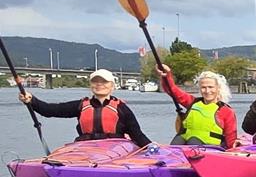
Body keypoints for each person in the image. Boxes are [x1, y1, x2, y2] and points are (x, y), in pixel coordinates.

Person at [17, 68, 151, 147]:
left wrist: (152, 149)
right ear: (90, 85)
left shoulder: (121, 108)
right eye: (95, 82)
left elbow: (137, 135)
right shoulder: (81, 105)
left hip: (115, 149)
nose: (99, 84)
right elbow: (50, 110)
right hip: (85, 148)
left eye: (104, 82)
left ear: (112, 86)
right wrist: (32, 100)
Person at [159, 66, 238, 148]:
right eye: (203, 87)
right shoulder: (192, 102)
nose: (207, 91)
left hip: (210, 150)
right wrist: (166, 75)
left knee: (193, 140)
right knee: (180, 141)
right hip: (185, 145)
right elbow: (172, 90)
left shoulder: (226, 111)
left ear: (218, 88)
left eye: (210, 87)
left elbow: (231, 140)